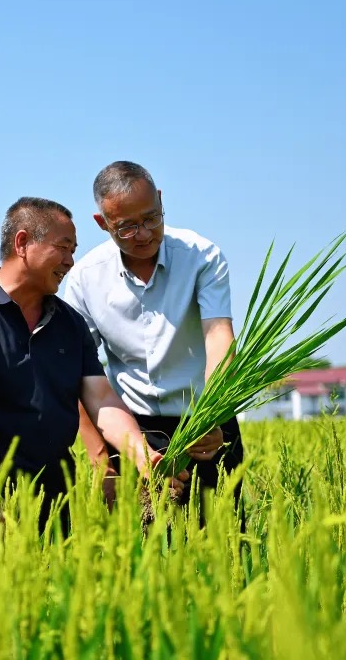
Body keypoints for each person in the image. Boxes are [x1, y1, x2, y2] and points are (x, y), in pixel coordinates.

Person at [0, 197, 177, 532]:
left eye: (73, 250)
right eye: (63, 248)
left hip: (57, 503)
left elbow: (101, 399)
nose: (71, 261)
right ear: (23, 243)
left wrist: (143, 455)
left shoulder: (70, 324)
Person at [62, 161, 245, 526]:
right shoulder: (85, 279)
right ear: (102, 223)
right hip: (132, 428)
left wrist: (213, 412)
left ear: (161, 201)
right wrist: (102, 459)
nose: (144, 234)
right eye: (126, 227)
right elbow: (80, 374)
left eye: (151, 218)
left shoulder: (201, 256)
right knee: (142, 552)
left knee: (223, 547)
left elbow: (218, 333)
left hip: (205, 417)